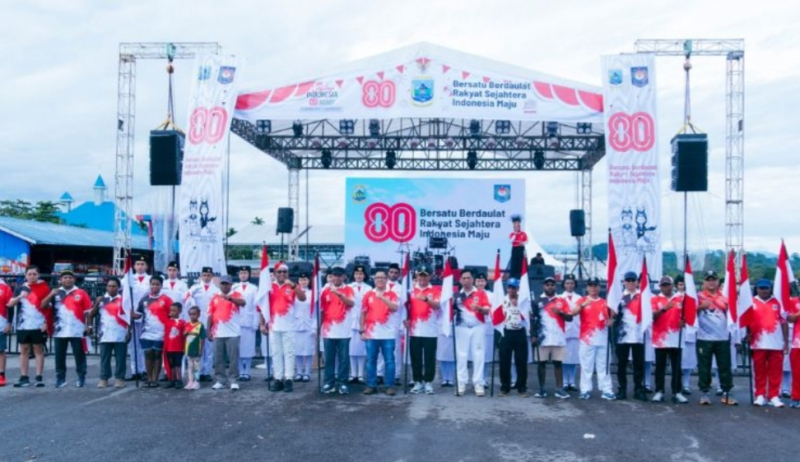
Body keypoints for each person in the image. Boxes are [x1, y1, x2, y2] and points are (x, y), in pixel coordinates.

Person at [40, 270, 92, 388]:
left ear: (74, 279)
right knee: (59, 356)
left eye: (69, 277)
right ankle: (60, 378)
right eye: (64, 278)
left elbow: (87, 312)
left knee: (79, 355)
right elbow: (43, 306)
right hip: (59, 330)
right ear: (60, 280)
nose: (67, 279)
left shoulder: (81, 292)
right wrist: (51, 294)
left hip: (77, 330)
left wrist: (88, 326)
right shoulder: (56, 293)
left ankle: (81, 377)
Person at [743, 279, 788, 407]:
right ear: (756, 289)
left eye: (766, 288)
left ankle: (774, 395)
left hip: (776, 343)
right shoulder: (751, 302)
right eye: (761, 288)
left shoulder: (778, 302)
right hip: (758, 343)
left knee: (775, 371)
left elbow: (784, 322)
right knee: (759, 370)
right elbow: (745, 321)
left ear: (771, 288)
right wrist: (746, 334)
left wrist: (786, 341)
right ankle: (760, 395)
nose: (764, 290)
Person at [696, 270, 737, 405]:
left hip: (722, 338)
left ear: (718, 282)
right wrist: (702, 307)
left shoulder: (725, 297)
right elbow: (689, 314)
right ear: (704, 282)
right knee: (704, 367)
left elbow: (734, 315)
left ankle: (726, 393)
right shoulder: (698, 297)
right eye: (708, 279)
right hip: (704, 338)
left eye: (713, 279)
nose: (711, 282)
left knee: (724, 366)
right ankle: (705, 393)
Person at [571, 277, 616, 400]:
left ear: (599, 287)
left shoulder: (606, 302)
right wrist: (582, 305)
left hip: (603, 339)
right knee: (586, 366)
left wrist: (612, 320)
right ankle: (585, 390)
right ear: (587, 287)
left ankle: (606, 390)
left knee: (604, 366)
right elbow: (573, 312)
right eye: (590, 285)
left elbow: (614, 315)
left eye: (595, 285)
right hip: (587, 339)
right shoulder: (582, 300)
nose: (593, 288)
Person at [264, 262, 306, 393]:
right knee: (276, 353)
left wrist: (293, 285)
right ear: (275, 273)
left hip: (289, 325)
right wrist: (261, 324)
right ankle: (278, 378)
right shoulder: (268, 286)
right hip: (273, 325)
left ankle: (288, 379)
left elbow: (303, 298)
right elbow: (261, 307)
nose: (282, 274)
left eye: (284, 272)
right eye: (279, 272)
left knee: (289, 353)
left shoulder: (292, 286)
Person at [531, 277, 573, 399]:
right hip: (542, 337)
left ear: (556, 286)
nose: (550, 287)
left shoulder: (562, 300)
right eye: (547, 285)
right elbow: (532, 320)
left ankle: (559, 389)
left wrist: (560, 312)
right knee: (541, 364)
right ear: (543, 287)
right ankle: (542, 389)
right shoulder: (537, 301)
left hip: (558, 337)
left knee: (558, 364)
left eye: (552, 285)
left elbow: (570, 318)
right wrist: (533, 335)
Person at [9, 266, 50, 387]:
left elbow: (48, 307)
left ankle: (39, 377)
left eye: (34, 274)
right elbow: (10, 304)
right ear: (26, 275)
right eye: (29, 274)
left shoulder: (44, 288)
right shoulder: (20, 288)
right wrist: (20, 296)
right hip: (23, 324)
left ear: (38, 275)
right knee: (24, 350)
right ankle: (24, 377)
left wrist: (46, 322)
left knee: (38, 350)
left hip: (38, 324)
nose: (32, 276)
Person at [361, 270, 401, 395]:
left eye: (382, 278)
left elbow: (395, 308)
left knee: (389, 360)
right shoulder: (368, 295)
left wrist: (382, 297)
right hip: (371, 333)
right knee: (371, 360)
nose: (380, 280)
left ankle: (389, 385)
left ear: (386, 280)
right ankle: (371, 385)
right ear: (374, 280)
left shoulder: (392, 294)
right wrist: (362, 330)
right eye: (377, 278)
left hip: (388, 334)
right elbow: (363, 313)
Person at [650, 276, 688, 404]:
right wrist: (664, 308)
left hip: (676, 338)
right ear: (660, 287)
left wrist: (685, 321)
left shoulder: (681, 298)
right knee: (660, 367)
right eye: (663, 285)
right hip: (660, 339)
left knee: (676, 367)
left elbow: (688, 315)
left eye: (668, 285)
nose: (666, 287)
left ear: (673, 285)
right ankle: (659, 391)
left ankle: (677, 392)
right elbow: (652, 316)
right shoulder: (654, 299)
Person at [454, 269, 492, 397]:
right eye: (463, 278)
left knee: (478, 355)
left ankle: (478, 383)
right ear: (460, 280)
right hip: (462, 327)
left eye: (468, 278)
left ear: (472, 279)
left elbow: (487, 310)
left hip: (478, 327)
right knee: (462, 356)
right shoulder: (457, 296)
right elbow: (450, 312)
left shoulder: (480, 294)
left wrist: (480, 308)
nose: (466, 280)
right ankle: (461, 382)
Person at [86, 277, 127, 389]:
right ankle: (104, 378)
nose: (111, 288)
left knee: (120, 358)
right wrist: (96, 304)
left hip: (120, 333)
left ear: (118, 288)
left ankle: (120, 378)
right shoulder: (102, 299)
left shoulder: (124, 300)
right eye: (109, 286)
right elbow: (91, 315)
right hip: (105, 334)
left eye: (114, 286)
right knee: (105, 358)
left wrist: (130, 331)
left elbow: (129, 317)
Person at [132, 275, 172, 388]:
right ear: (150, 285)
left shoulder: (166, 299)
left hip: (161, 332)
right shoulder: (144, 299)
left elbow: (172, 314)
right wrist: (132, 314)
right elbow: (139, 315)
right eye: (152, 284)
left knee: (157, 354)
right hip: (146, 332)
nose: (154, 286)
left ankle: (155, 379)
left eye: (157, 284)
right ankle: (149, 378)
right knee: (148, 354)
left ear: (161, 286)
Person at [320, 267, 355, 394]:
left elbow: (351, 303)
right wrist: (319, 327)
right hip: (329, 330)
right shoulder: (325, 291)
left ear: (344, 277)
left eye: (340, 276)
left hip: (344, 331)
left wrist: (339, 294)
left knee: (343, 359)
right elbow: (322, 310)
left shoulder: (349, 289)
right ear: (331, 276)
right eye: (335, 275)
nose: (337, 278)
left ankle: (342, 382)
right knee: (329, 359)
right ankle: (328, 382)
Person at [407, 265, 441, 395]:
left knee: (429, 358)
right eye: (420, 275)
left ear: (430, 276)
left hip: (430, 330)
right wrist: (406, 320)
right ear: (416, 276)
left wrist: (426, 299)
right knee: (415, 357)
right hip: (414, 330)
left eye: (425, 276)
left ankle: (428, 382)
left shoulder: (435, 291)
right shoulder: (411, 291)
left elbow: (438, 306)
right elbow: (406, 308)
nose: (422, 278)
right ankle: (417, 381)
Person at [208, 275, 245, 391]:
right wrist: (208, 330)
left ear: (231, 285)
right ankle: (220, 380)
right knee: (218, 358)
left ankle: (233, 380)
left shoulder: (236, 294)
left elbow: (243, 302)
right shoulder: (214, 297)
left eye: (226, 284)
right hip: (218, 332)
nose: (224, 286)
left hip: (233, 333)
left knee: (233, 358)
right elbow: (210, 315)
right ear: (219, 285)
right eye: (222, 284)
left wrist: (230, 298)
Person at [614, 271, 646, 401]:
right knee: (622, 364)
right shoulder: (619, 297)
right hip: (623, 336)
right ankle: (622, 389)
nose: (631, 283)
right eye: (628, 280)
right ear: (624, 282)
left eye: (633, 280)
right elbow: (613, 314)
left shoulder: (643, 296)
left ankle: (638, 389)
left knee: (638, 364)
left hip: (639, 335)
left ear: (637, 282)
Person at [187, 267, 220, 382]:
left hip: (210, 322)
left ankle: (207, 372)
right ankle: (198, 372)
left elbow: (217, 308)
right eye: (204, 275)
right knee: (197, 349)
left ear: (212, 276)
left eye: (208, 275)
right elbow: (188, 303)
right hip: (197, 323)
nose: (206, 277)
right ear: (201, 275)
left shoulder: (216, 290)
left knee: (209, 350)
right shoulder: (194, 288)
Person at [497, 278, 529, 397]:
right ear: (507, 288)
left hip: (519, 332)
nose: (511, 289)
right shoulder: (502, 300)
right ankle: (505, 387)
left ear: (518, 288)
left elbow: (529, 315)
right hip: (506, 332)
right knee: (504, 361)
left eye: (514, 287)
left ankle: (521, 387)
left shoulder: (524, 300)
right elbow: (496, 314)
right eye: (509, 287)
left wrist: (519, 306)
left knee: (521, 361)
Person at [232, 266, 258, 381]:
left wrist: (255, 323)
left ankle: (247, 371)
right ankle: (240, 371)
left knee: (248, 348)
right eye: (241, 273)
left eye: (245, 273)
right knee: (237, 348)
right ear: (238, 274)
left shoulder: (254, 288)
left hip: (249, 321)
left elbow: (256, 307)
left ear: (249, 274)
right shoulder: (233, 288)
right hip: (236, 322)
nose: (243, 275)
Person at [127, 256, 151, 380]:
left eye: (142, 264)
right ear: (134, 266)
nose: (140, 266)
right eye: (138, 264)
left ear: (146, 266)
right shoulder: (128, 279)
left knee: (145, 344)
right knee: (133, 345)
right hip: (132, 315)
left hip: (147, 316)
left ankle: (146, 370)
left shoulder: (151, 279)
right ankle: (135, 370)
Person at [384, 263, 407, 386]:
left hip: (396, 323)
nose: (393, 274)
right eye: (391, 272)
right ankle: (379, 374)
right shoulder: (381, 287)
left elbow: (404, 308)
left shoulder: (401, 289)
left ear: (399, 275)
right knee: (381, 351)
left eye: (396, 273)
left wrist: (403, 325)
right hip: (381, 323)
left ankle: (396, 375)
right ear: (388, 273)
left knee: (396, 351)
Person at [348, 265, 371, 384]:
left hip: (364, 320)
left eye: (361, 274)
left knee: (362, 350)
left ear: (364, 275)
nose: (358, 276)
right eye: (356, 274)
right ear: (353, 275)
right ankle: (353, 374)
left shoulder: (369, 288)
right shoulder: (348, 287)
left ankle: (361, 374)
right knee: (351, 349)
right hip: (350, 320)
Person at [675, 275, 697, 395]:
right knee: (678, 361)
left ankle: (687, 384)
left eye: (683, 284)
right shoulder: (674, 298)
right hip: (677, 332)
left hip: (689, 331)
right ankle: (677, 385)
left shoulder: (693, 298)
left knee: (688, 361)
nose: (681, 286)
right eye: (679, 284)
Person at [560, 274, 580, 392]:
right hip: (563, 331)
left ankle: (571, 382)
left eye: (572, 283)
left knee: (574, 358)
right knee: (564, 358)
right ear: (564, 284)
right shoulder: (559, 298)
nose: (569, 285)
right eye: (567, 283)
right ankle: (564, 381)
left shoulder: (580, 298)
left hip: (576, 330)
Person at [294, 273, 314, 382]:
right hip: (296, 323)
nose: (303, 282)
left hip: (309, 323)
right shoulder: (294, 293)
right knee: (298, 350)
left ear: (309, 281)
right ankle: (299, 372)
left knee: (308, 350)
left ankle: (307, 372)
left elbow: (315, 311)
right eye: (301, 280)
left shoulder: (312, 294)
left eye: (305, 279)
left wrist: (315, 326)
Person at [476, 274, 495, 384]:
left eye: (482, 281)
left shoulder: (491, 295)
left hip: (487, 326)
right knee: (476, 354)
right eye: (478, 281)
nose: (480, 283)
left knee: (486, 354)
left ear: (486, 282)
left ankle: (484, 379)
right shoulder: (472, 294)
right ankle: (477, 378)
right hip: (475, 325)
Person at [163, 302, 187, 389]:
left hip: (179, 348)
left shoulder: (182, 323)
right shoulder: (167, 322)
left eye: (174, 310)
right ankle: (172, 380)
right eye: (171, 310)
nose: (172, 312)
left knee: (178, 364)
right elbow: (165, 335)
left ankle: (179, 380)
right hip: (169, 348)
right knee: (171, 365)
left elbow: (184, 336)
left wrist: (184, 347)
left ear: (179, 311)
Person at [183, 306, 206, 390]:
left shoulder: (200, 325)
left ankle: (197, 382)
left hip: (197, 349)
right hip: (188, 349)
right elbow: (183, 336)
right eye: (190, 314)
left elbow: (203, 338)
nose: (192, 316)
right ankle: (190, 381)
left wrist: (201, 350)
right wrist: (185, 333)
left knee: (196, 366)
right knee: (189, 366)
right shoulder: (187, 324)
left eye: (194, 314)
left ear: (199, 315)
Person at [0, 277, 14, 386]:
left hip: (1, 322)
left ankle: (1, 375)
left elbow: (10, 306)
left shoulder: (5, 287)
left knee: (0, 351)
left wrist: (9, 323)